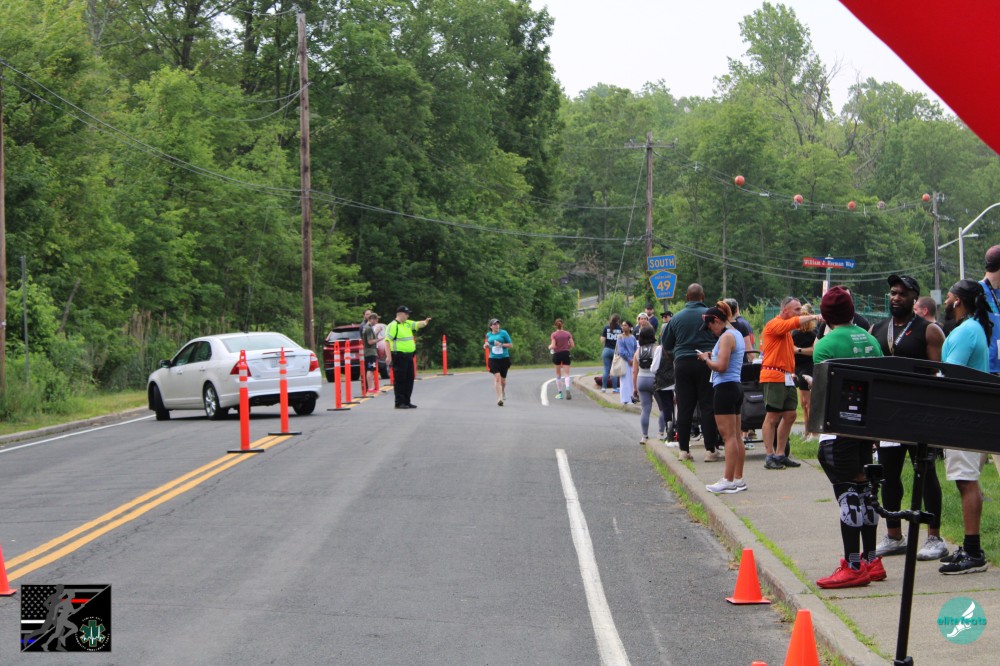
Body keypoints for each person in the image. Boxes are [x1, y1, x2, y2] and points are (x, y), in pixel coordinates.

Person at [868, 275, 948, 560]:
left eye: (902, 293)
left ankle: (934, 537)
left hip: (918, 415)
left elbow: (939, 373)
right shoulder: (878, 329)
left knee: (925, 474)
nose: (896, 297)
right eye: (893, 292)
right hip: (888, 416)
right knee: (888, 475)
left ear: (915, 298)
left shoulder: (929, 330)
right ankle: (894, 536)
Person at [812, 286, 885, 589]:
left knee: (848, 495)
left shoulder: (826, 345)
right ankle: (871, 560)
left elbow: (822, 395)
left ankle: (853, 566)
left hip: (838, 429)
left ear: (825, 315)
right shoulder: (870, 339)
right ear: (853, 311)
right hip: (865, 428)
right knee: (864, 489)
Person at [937, 279, 993, 574]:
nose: (945, 301)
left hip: (964, 417)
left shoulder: (966, 331)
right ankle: (971, 548)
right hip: (971, 415)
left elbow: (950, 374)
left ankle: (973, 552)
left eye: (948, 296)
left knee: (966, 481)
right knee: (966, 480)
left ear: (958, 300)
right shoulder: (973, 328)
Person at [660, 284, 722, 462]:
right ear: (703, 297)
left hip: (682, 364)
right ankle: (710, 450)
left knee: (685, 407)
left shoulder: (676, 318)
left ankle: (684, 450)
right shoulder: (711, 316)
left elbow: (666, 344)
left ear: (687, 297)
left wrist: (677, 356)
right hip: (706, 362)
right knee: (707, 405)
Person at [759, 296, 822, 469]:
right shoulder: (775, 324)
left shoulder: (786, 331)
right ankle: (769, 455)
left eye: (801, 309)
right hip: (773, 375)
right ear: (785, 310)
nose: (800, 312)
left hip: (786, 376)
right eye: (797, 309)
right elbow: (794, 323)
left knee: (790, 414)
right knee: (772, 416)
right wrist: (813, 316)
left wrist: (791, 372)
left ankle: (780, 454)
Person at [697, 302, 748, 493]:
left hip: (724, 388)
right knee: (736, 436)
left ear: (717, 320)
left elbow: (721, 367)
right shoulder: (737, 334)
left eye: (710, 326)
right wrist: (714, 355)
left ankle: (728, 480)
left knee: (728, 437)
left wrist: (706, 359)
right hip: (736, 387)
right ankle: (738, 478)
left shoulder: (726, 337)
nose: (711, 330)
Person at [385, 306, 431, 409]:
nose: (408, 316)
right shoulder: (393, 325)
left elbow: (418, 324)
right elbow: (387, 341)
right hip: (399, 355)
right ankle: (399, 402)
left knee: (409, 379)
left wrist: (425, 322)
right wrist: (388, 356)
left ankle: (407, 401)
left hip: (409, 356)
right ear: (400, 314)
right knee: (400, 380)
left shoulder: (407, 323)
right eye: (406, 314)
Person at [791, 303, 818, 439]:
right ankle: (808, 431)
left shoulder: (796, 334)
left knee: (806, 402)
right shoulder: (813, 334)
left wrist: (798, 350)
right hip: (806, 367)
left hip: (803, 368)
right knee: (805, 402)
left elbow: (812, 351)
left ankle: (812, 432)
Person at [631, 324, 659, 445]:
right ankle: (661, 433)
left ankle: (644, 436)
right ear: (653, 335)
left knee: (645, 409)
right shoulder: (656, 349)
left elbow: (634, 371)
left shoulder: (637, 352)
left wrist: (634, 388)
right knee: (662, 408)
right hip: (655, 380)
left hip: (641, 380)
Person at [484, 318, 513, 406]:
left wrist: (501, 344)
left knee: (503, 381)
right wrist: (486, 345)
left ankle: (503, 391)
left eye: (497, 324)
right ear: (491, 326)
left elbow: (510, 345)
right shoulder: (488, 335)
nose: (497, 325)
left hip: (504, 358)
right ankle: (499, 399)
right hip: (493, 358)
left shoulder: (504, 333)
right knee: (497, 378)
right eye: (495, 324)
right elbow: (487, 344)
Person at [549, 318, 575, 400]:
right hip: (566, 353)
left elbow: (553, 345)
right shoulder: (567, 334)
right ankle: (567, 388)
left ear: (555, 325)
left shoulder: (554, 335)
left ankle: (560, 394)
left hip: (557, 354)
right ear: (563, 324)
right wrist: (567, 347)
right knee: (566, 374)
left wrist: (549, 347)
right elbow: (572, 345)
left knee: (558, 375)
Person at [616, 319, 638, 405]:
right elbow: (621, 351)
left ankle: (632, 398)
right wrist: (629, 359)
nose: (623, 327)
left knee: (632, 380)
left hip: (633, 361)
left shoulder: (633, 337)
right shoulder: (620, 337)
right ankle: (625, 399)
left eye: (625, 325)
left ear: (629, 327)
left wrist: (634, 359)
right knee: (625, 380)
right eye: (622, 325)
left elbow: (635, 349)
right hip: (625, 361)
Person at [600, 314, 623, 393]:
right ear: (618, 321)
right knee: (614, 370)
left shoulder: (606, 328)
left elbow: (602, 340)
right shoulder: (620, 329)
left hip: (606, 350)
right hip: (615, 351)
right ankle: (614, 388)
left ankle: (603, 387)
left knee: (606, 369)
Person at [361, 312, 381, 395]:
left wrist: (377, 332)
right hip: (370, 352)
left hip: (369, 352)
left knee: (371, 369)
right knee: (370, 369)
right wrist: (380, 339)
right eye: (376, 319)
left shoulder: (367, 328)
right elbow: (370, 341)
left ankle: (371, 387)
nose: (377, 321)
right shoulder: (368, 328)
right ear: (372, 319)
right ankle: (370, 388)